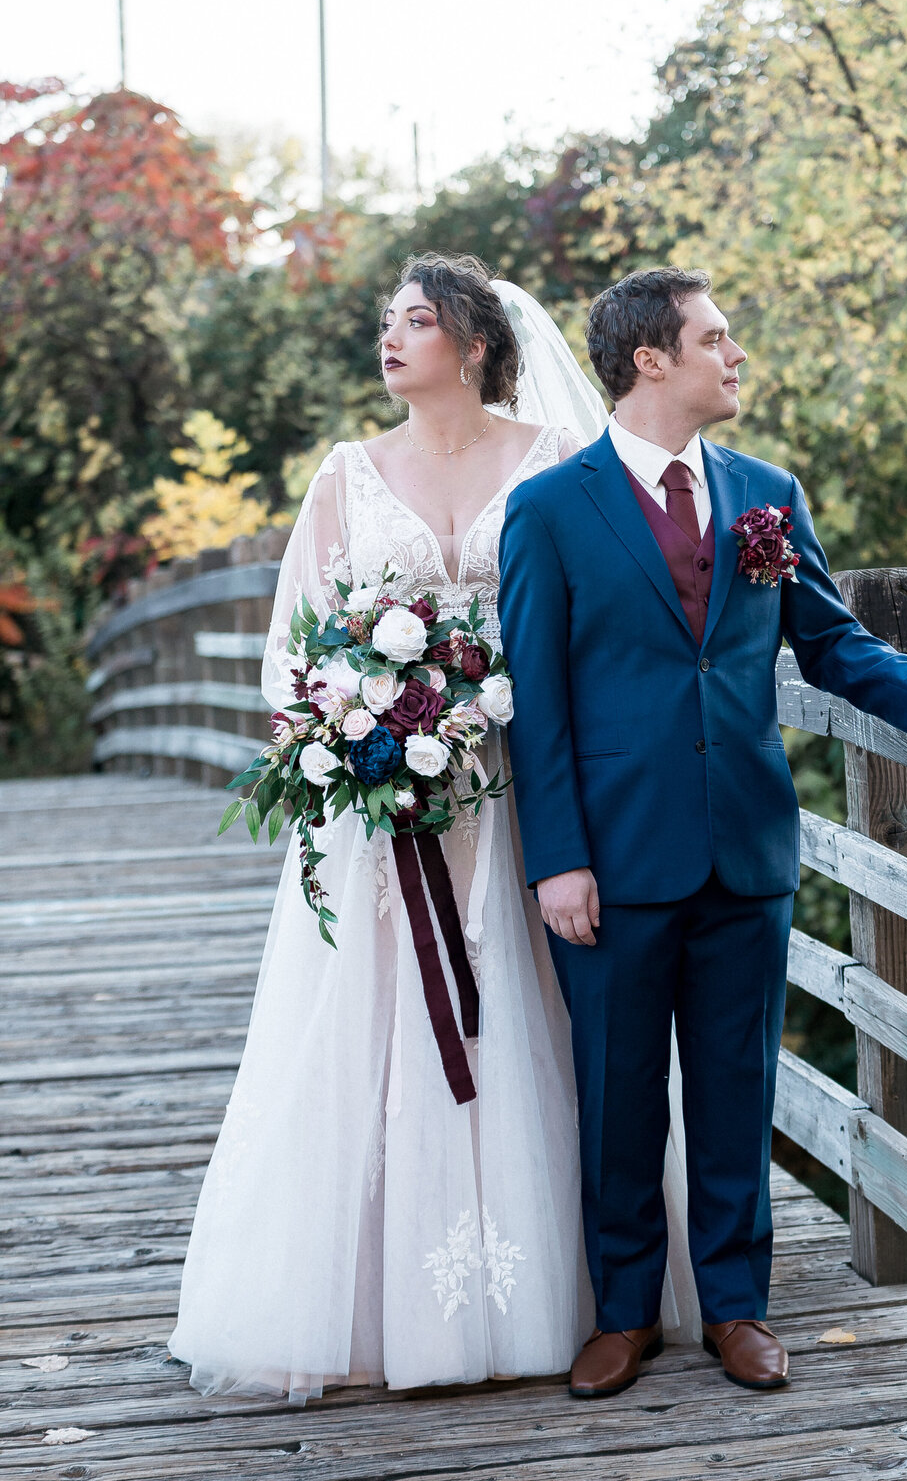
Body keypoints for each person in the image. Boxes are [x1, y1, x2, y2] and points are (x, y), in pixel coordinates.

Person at [169, 253, 696, 1402]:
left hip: (528, 791)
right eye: (388, 319)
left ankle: (586, 1295)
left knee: (545, 1017)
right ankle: (369, 1305)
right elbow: (293, 648)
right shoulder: (345, 476)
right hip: (390, 804)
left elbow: (603, 617)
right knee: (374, 1023)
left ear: (474, 342)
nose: (392, 337)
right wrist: (353, 721)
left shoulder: (555, 462)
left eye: (417, 319)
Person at [498, 266, 907, 1399]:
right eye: (717, 338)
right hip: (615, 857)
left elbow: (828, 642)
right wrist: (558, 858)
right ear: (650, 361)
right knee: (619, 1090)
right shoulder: (549, 509)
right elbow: (537, 700)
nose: (738, 356)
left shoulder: (768, 493)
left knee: (736, 1086)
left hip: (749, 847)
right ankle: (621, 1313)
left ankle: (736, 1306)